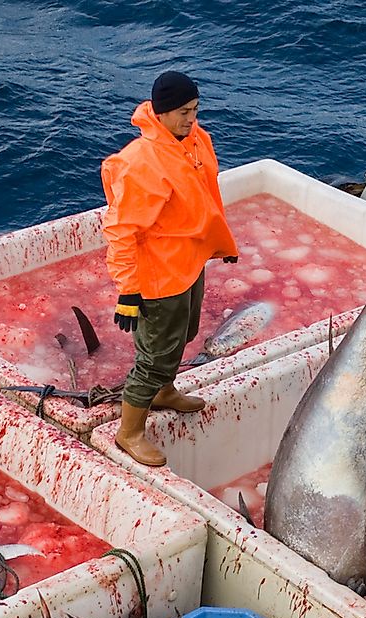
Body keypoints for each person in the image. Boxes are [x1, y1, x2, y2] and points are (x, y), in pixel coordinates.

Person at [101, 70, 239, 467]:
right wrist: (129, 290)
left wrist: (219, 244)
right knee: (155, 354)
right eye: (182, 112)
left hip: (190, 263)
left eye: (195, 110)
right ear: (160, 114)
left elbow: (205, 195)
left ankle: (164, 391)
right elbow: (121, 230)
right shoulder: (142, 163)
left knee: (186, 334)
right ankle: (129, 433)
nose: (190, 119)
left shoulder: (196, 140)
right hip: (159, 276)